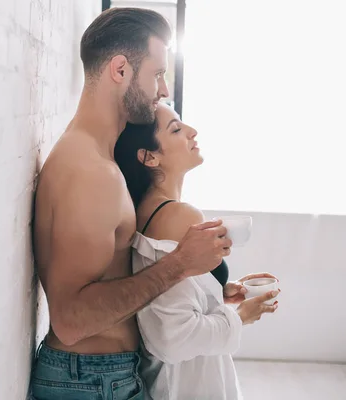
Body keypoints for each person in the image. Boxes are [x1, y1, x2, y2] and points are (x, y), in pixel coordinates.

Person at [30, 8, 233, 400]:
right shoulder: (90, 172)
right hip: (90, 381)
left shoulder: (96, 159)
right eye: (157, 74)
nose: (164, 90)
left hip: (95, 378)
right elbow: (70, 321)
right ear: (120, 70)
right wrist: (178, 265)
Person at [114, 102, 281, 399]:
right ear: (149, 157)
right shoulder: (178, 216)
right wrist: (240, 317)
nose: (192, 132)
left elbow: (166, 299)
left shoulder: (148, 210)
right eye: (176, 130)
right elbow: (172, 338)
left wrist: (219, 292)